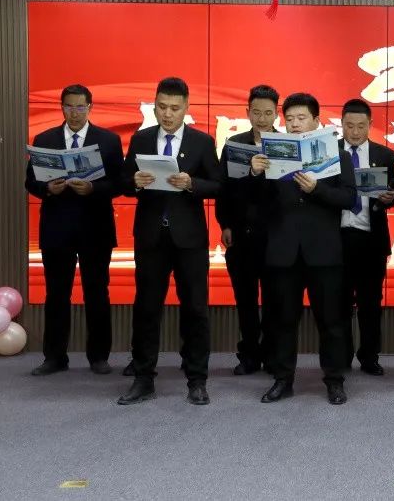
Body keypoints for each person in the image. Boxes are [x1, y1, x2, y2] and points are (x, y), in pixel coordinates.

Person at [118, 77, 222, 406]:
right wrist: (134, 181)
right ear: (154, 105)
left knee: (195, 308)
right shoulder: (141, 139)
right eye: (162, 107)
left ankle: (197, 379)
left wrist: (192, 184)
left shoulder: (202, 142)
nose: (167, 114)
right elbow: (123, 182)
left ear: (186, 107)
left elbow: (219, 185)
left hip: (189, 239)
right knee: (146, 308)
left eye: (175, 108)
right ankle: (143, 378)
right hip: (151, 236)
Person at [255, 93, 356, 404]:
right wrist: (256, 174)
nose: (295, 124)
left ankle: (334, 380)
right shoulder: (272, 154)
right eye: (290, 119)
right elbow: (259, 205)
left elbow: (349, 198)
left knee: (331, 321)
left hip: (323, 251)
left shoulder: (337, 155)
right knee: (283, 320)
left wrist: (317, 189)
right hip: (284, 250)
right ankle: (283, 379)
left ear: (316, 120)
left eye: (301, 118)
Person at [25, 84, 123, 376]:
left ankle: (99, 356)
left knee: (97, 292)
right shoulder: (45, 139)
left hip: (95, 228)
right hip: (57, 228)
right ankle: (55, 357)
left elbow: (120, 183)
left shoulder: (108, 140)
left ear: (90, 107)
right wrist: (48, 189)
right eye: (69, 106)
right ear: (62, 107)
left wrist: (93, 188)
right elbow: (31, 182)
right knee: (56, 294)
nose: (75, 113)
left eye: (81, 107)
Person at [216, 84, 279, 376]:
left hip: (275, 236)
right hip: (241, 234)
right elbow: (224, 189)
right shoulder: (234, 145)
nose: (262, 119)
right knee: (245, 299)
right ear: (247, 112)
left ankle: (272, 353)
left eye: (268, 113)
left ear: (276, 114)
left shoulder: (286, 145)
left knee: (275, 300)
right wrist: (225, 224)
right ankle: (249, 354)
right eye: (256, 112)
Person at [337, 99, 394, 375]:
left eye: (361, 126)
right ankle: (342, 356)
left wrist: (390, 197)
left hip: (371, 240)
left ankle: (369, 356)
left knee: (370, 302)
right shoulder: (331, 153)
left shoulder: (383, 154)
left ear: (370, 125)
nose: (354, 132)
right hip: (337, 239)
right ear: (341, 124)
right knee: (339, 303)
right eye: (349, 126)